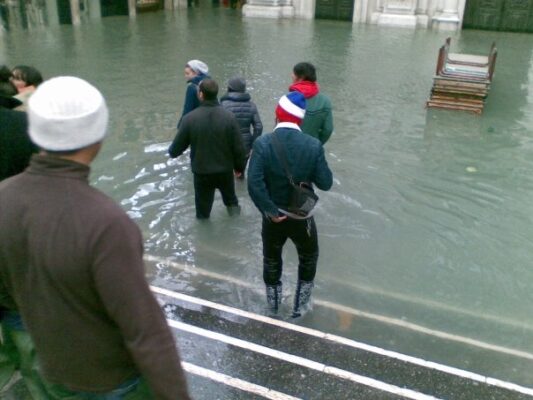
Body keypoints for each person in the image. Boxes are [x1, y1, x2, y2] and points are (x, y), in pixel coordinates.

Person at [0, 76, 191, 400]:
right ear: (98, 136)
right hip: (109, 379)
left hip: (49, 367)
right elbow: (144, 330)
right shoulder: (105, 222)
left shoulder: (4, 197)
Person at [247, 91, 333, 318]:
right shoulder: (313, 145)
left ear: (277, 115)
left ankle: (273, 308)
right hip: (302, 218)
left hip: (273, 217)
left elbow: (254, 184)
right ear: (301, 119)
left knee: (272, 260)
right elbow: (326, 183)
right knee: (308, 257)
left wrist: (271, 211)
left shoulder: (263, 143)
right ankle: (300, 309)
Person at [169, 78, 246, 219]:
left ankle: (203, 239)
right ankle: (235, 224)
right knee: (231, 203)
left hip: (202, 173)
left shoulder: (190, 119)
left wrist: (172, 150)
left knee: (203, 212)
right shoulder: (229, 117)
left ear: (201, 95)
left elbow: (174, 151)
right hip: (225, 171)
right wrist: (239, 168)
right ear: (216, 94)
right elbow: (239, 148)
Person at [220, 76, 263, 176]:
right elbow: (258, 127)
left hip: (227, 143)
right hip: (245, 145)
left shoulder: (222, 104)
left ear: (229, 88)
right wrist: (253, 145)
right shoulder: (251, 105)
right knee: (240, 173)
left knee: (226, 175)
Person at [289, 62, 334, 145]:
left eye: (293, 73)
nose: (291, 75)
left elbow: (280, 128)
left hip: (290, 147)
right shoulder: (325, 101)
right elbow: (328, 129)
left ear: (300, 78)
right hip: (312, 148)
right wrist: (317, 144)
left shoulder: (288, 99)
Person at [178, 59, 209, 127]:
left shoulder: (192, 87)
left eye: (187, 73)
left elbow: (187, 109)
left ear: (196, 73)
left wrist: (180, 126)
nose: (185, 76)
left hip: (196, 124)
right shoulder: (210, 83)